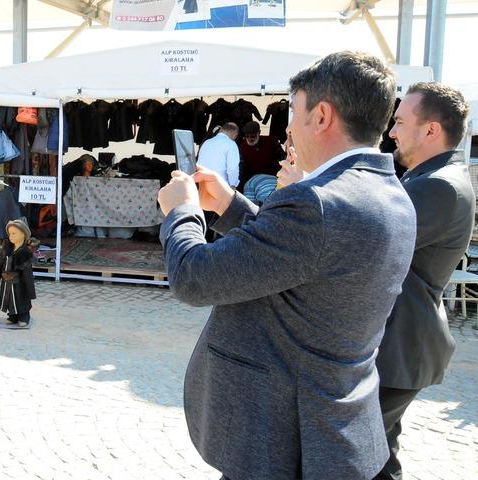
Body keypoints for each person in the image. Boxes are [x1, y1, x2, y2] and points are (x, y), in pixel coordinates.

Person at [157, 51, 416, 479]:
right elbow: (308, 258)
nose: (289, 127)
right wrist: (230, 204)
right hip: (331, 426)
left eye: (294, 111)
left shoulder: (316, 201)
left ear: (322, 116)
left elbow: (193, 277)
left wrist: (182, 212)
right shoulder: (389, 192)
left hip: (282, 436)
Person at [373, 83, 474, 480]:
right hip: (400, 345)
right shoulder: (433, 178)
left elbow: (366, 240)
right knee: (377, 458)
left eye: (399, 122)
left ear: (431, 130)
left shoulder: (438, 186)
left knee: (355, 454)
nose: (392, 132)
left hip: (401, 346)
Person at [0, 219, 37, 328]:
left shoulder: (25, 253)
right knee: (8, 298)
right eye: (10, 234)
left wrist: (30, 289)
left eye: (14, 233)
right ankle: (13, 315)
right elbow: (0, 263)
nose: (11, 236)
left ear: (23, 234)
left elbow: (27, 273)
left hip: (20, 282)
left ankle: (24, 316)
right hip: (6, 281)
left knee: (20, 298)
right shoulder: (7, 248)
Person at [237, 120, 285, 191]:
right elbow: (242, 170)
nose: (250, 139)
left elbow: (282, 159)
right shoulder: (242, 147)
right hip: (252, 180)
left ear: (259, 132)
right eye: (247, 136)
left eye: (253, 136)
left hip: (273, 177)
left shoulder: (272, 141)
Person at [196, 122, 240, 188]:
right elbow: (232, 169)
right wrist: (233, 185)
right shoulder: (231, 144)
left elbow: (199, 164)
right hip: (220, 187)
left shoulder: (206, 142)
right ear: (235, 134)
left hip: (203, 186)